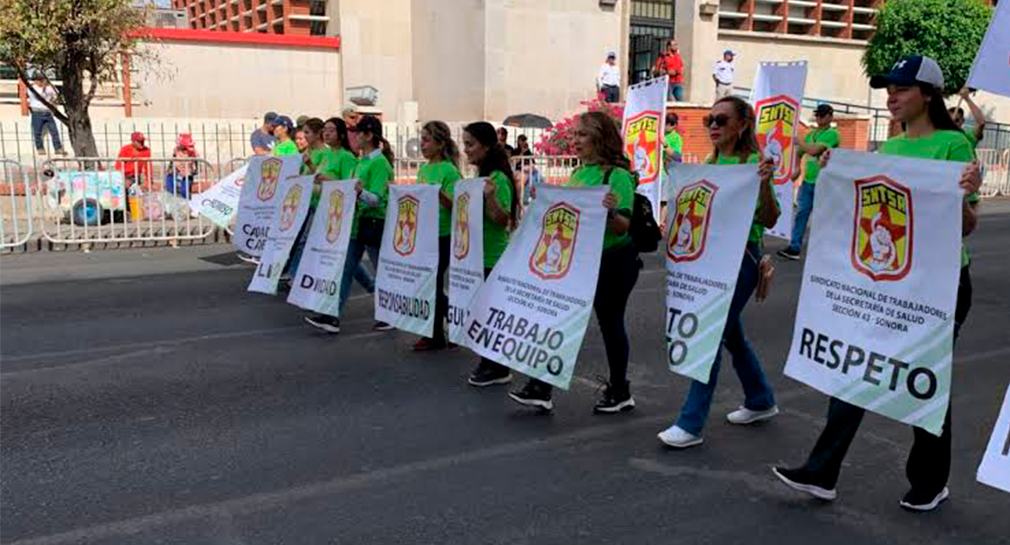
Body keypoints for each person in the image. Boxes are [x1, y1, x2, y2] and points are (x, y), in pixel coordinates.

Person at [772, 55, 982, 512]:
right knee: (858, 367)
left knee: (923, 379)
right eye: (889, 89)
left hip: (940, 285)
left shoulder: (954, 144)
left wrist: (965, 195)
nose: (891, 97)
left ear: (928, 94)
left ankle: (930, 482)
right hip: (888, 283)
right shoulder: (890, 148)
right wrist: (836, 171)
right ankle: (822, 471)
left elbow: (967, 227)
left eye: (902, 88)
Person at [656, 96, 780, 448]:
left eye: (721, 120)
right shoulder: (710, 162)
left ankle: (691, 423)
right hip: (710, 261)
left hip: (742, 260)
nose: (713, 125)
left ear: (742, 125)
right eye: (709, 119)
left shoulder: (753, 163)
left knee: (708, 333)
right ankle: (761, 399)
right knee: (731, 335)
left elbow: (770, 218)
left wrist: (764, 184)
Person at [509, 111, 642, 413]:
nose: (574, 140)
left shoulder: (617, 176)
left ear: (601, 137)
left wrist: (610, 212)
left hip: (613, 262)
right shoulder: (579, 174)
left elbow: (623, 226)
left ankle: (620, 390)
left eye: (582, 134)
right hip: (578, 260)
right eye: (573, 134)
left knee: (610, 324)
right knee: (557, 317)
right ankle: (541, 386)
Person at [317, 115, 393, 334]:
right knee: (345, 269)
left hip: (374, 222)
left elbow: (376, 199)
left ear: (368, 136)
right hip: (356, 223)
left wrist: (359, 191)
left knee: (382, 271)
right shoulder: (362, 161)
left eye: (358, 132)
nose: (354, 136)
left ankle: (389, 316)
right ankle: (332, 317)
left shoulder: (379, 163)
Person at [303, 117, 373, 333]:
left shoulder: (346, 157)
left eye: (331, 130)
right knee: (347, 264)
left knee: (345, 264)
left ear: (341, 134)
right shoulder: (326, 155)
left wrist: (327, 181)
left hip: (342, 214)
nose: (326, 133)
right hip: (325, 210)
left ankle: (332, 315)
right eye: (325, 130)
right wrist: (311, 168)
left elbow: (348, 186)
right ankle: (372, 289)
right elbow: (320, 177)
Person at [463, 121, 520, 387]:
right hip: (478, 255)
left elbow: (501, 220)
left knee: (490, 313)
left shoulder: (497, 179)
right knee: (483, 311)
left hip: (493, 256)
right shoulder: (483, 176)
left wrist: (490, 197)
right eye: (464, 144)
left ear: (485, 146)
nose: (466, 149)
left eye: (470, 144)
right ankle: (490, 362)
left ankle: (497, 367)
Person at [411, 121, 463, 351]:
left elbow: (457, 206)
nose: (422, 144)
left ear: (440, 144)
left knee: (432, 284)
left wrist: (439, 194)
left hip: (443, 235)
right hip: (425, 234)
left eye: (426, 140)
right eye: (421, 139)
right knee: (429, 284)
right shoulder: (423, 170)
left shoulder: (450, 171)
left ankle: (437, 333)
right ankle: (448, 326)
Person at [778, 104, 840, 260]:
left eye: (822, 115)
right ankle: (794, 248)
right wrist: (797, 168)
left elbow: (813, 151)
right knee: (801, 214)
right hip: (808, 182)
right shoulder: (811, 134)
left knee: (823, 218)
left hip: (824, 184)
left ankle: (823, 253)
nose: (819, 118)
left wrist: (799, 141)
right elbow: (799, 153)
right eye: (817, 114)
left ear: (830, 116)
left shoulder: (833, 134)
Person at [28, 74, 66, 156]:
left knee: (54, 131)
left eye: (42, 80)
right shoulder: (32, 88)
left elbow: (56, 93)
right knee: (37, 132)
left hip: (47, 112)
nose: (40, 82)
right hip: (37, 112)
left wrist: (52, 100)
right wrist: (45, 88)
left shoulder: (49, 88)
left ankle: (58, 148)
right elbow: (39, 95)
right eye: (39, 80)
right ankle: (40, 148)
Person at [165, 133, 199, 199]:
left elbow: (196, 169)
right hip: (173, 175)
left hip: (186, 177)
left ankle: (186, 203)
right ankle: (172, 203)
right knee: (170, 189)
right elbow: (171, 165)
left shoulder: (193, 154)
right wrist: (175, 168)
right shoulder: (176, 151)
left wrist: (189, 172)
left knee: (184, 191)